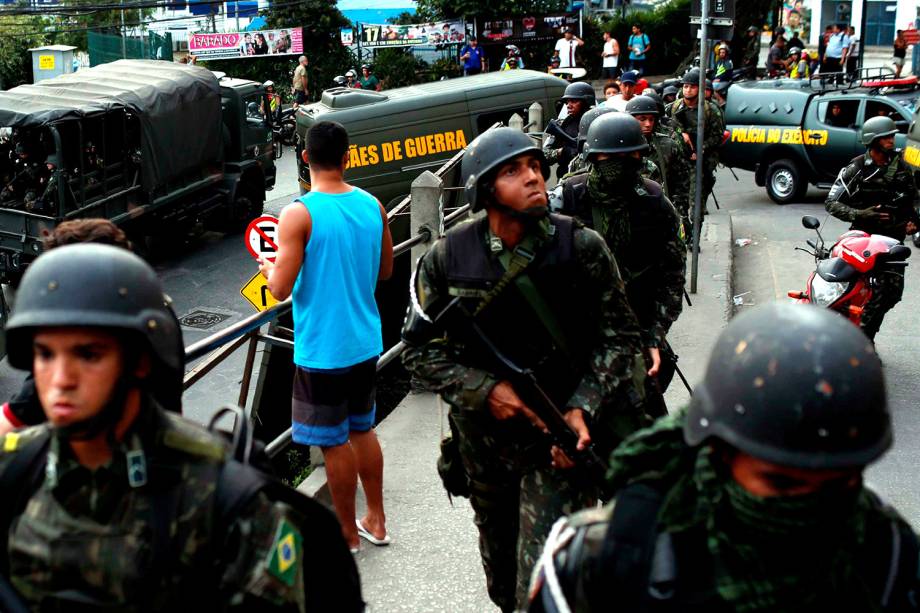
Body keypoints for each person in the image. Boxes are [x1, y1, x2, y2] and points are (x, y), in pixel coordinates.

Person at [0, 243, 363, 611]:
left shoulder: (225, 501)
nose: (60, 379)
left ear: (140, 362)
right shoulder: (18, 467)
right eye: (45, 354)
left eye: (89, 355)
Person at [529, 303, 920, 613]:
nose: (810, 506)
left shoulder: (888, 554)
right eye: (779, 483)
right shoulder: (605, 555)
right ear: (717, 453)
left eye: (841, 483)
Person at [402, 126, 648, 613]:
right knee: (502, 581)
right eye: (513, 171)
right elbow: (418, 352)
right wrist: (485, 389)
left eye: (535, 166)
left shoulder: (581, 247)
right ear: (484, 189)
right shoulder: (447, 258)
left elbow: (621, 337)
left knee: (546, 585)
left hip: (558, 444)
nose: (533, 178)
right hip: (485, 449)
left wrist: (582, 409)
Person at [259, 121, 393, 553]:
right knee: (363, 430)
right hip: (365, 341)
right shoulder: (373, 205)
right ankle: (376, 518)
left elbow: (279, 289)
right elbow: (386, 272)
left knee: (334, 443)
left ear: (304, 158)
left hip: (323, 350)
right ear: (347, 157)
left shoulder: (299, 214)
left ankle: (347, 535)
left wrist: (268, 268)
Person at [0, 219, 183, 438]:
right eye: (45, 354)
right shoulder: (153, 311)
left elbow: (13, 418)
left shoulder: (97, 334)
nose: (61, 378)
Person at [556, 112, 685, 418]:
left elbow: (672, 275)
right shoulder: (569, 198)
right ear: (593, 158)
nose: (620, 165)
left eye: (631, 157)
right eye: (610, 157)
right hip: (576, 335)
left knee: (646, 423)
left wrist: (655, 333)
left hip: (635, 332)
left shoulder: (654, 202)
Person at [825, 115, 920, 343]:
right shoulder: (857, 167)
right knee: (853, 292)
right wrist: (860, 214)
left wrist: (914, 222)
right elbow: (831, 202)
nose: (891, 139)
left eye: (892, 135)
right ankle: (860, 342)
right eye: (886, 136)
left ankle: (865, 335)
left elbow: (913, 201)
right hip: (861, 242)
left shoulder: (903, 168)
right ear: (873, 140)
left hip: (892, 245)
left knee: (890, 295)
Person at [627, 95, 692, 244]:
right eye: (642, 119)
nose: (648, 124)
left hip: (661, 213)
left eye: (651, 119)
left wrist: (680, 215)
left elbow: (681, 184)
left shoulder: (668, 145)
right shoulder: (619, 147)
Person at [669, 68, 725, 225]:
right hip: (679, 161)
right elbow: (664, 128)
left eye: (692, 86)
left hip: (700, 161)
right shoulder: (674, 108)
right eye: (685, 86)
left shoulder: (710, 110)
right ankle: (685, 235)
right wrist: (680, 135)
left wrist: (701, 148)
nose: (688, 90)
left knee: (696, 206)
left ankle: (695, 239)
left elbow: (717, 136)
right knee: (679, 205)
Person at [543, 81, 595, 174]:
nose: (568, 105)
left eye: (574, 101)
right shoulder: (561, 125)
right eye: (567, 102)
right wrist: (562, 151)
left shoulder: (597, 123)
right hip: (567, 177)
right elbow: (544, 156)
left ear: (586, 102)